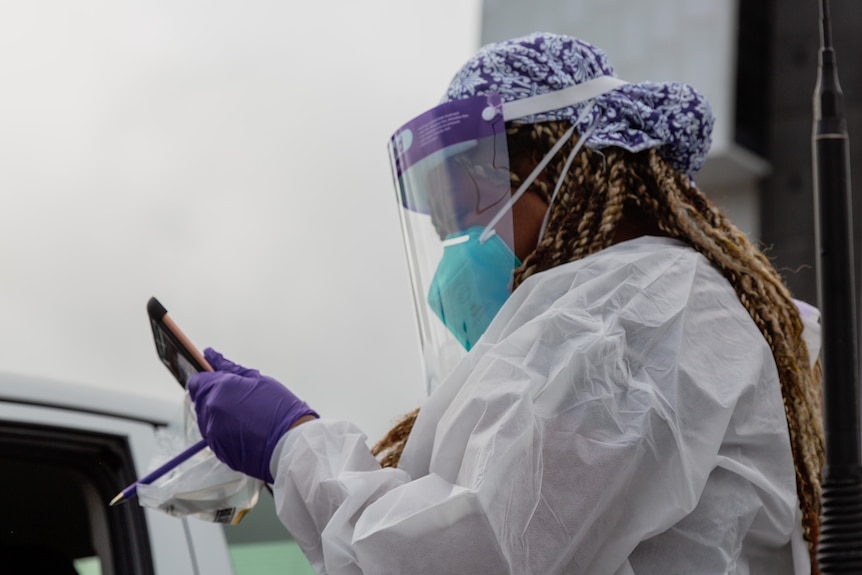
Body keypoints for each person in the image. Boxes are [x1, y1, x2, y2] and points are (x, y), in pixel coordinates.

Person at [188, 33, 825, 574]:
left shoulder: (643, 310)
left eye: (472, 204)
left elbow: (479, 548)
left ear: (565, 168)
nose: (459, 243)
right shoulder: (626, 307)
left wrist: (294, 446)